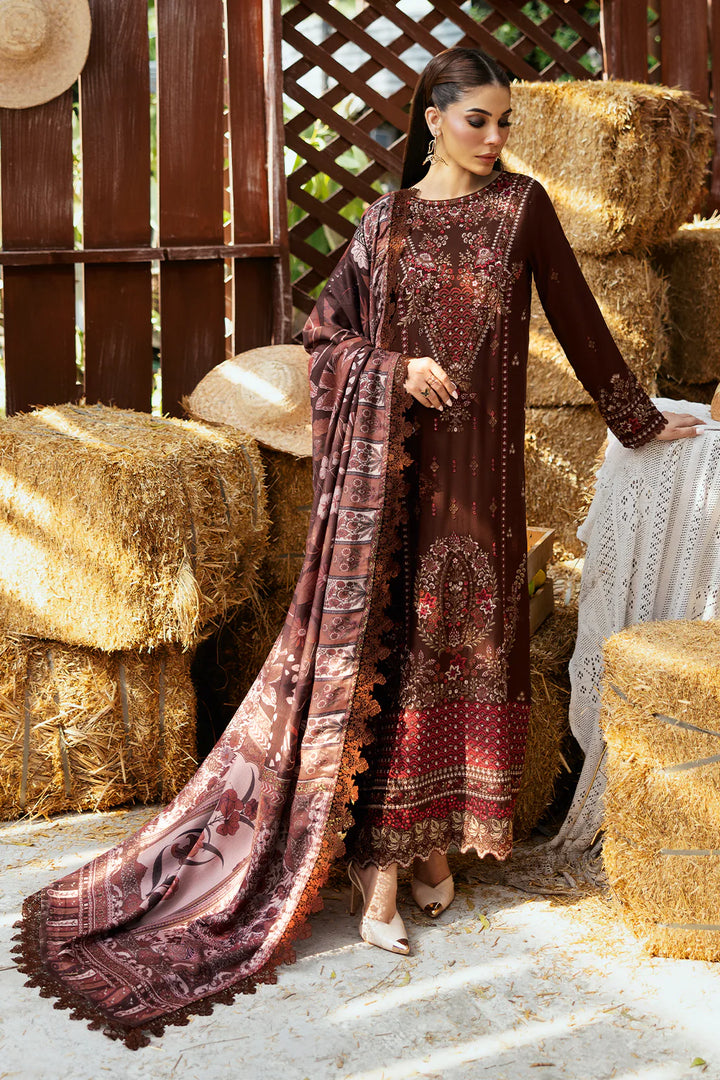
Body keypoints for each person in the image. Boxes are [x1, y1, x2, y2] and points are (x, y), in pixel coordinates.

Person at [12, 46, 703, 1048]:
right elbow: (326, 336)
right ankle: (380, 865)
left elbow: (581, 322)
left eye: (505, 121)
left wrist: (638, 420)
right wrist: (394, 368)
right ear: (434, 119)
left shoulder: (523, 209)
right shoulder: (388, 223)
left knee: (467, 652)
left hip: (484, 486)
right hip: (395, 484)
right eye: (478, 120)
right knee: (396, 654)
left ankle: (434, 849)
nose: (496, 138)